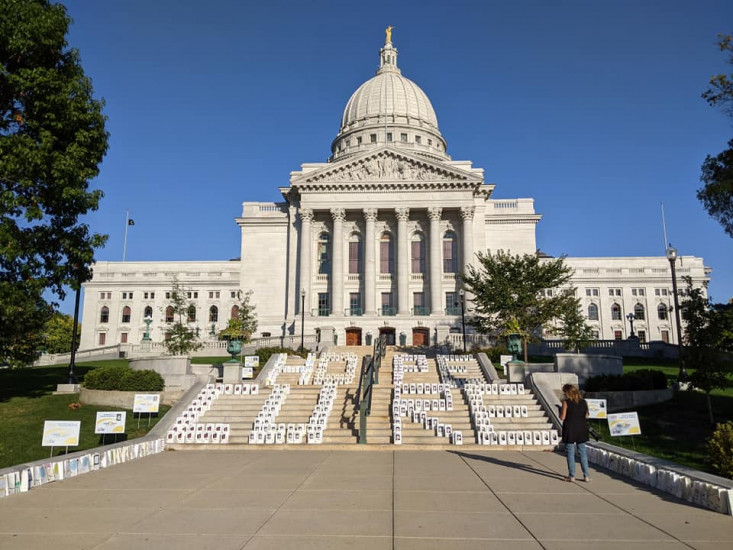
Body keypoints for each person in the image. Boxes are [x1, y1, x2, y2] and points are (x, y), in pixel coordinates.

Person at [559, 383, 590, 482]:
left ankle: (572, 475)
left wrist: (560, 411)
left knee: (570, 453)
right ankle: (586, 475)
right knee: (582, 452)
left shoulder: (566, 402)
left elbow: (562, 417)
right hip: (581, 429)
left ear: (567, 393)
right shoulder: (584, 402)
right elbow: (587, 416)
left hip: (570, 429)